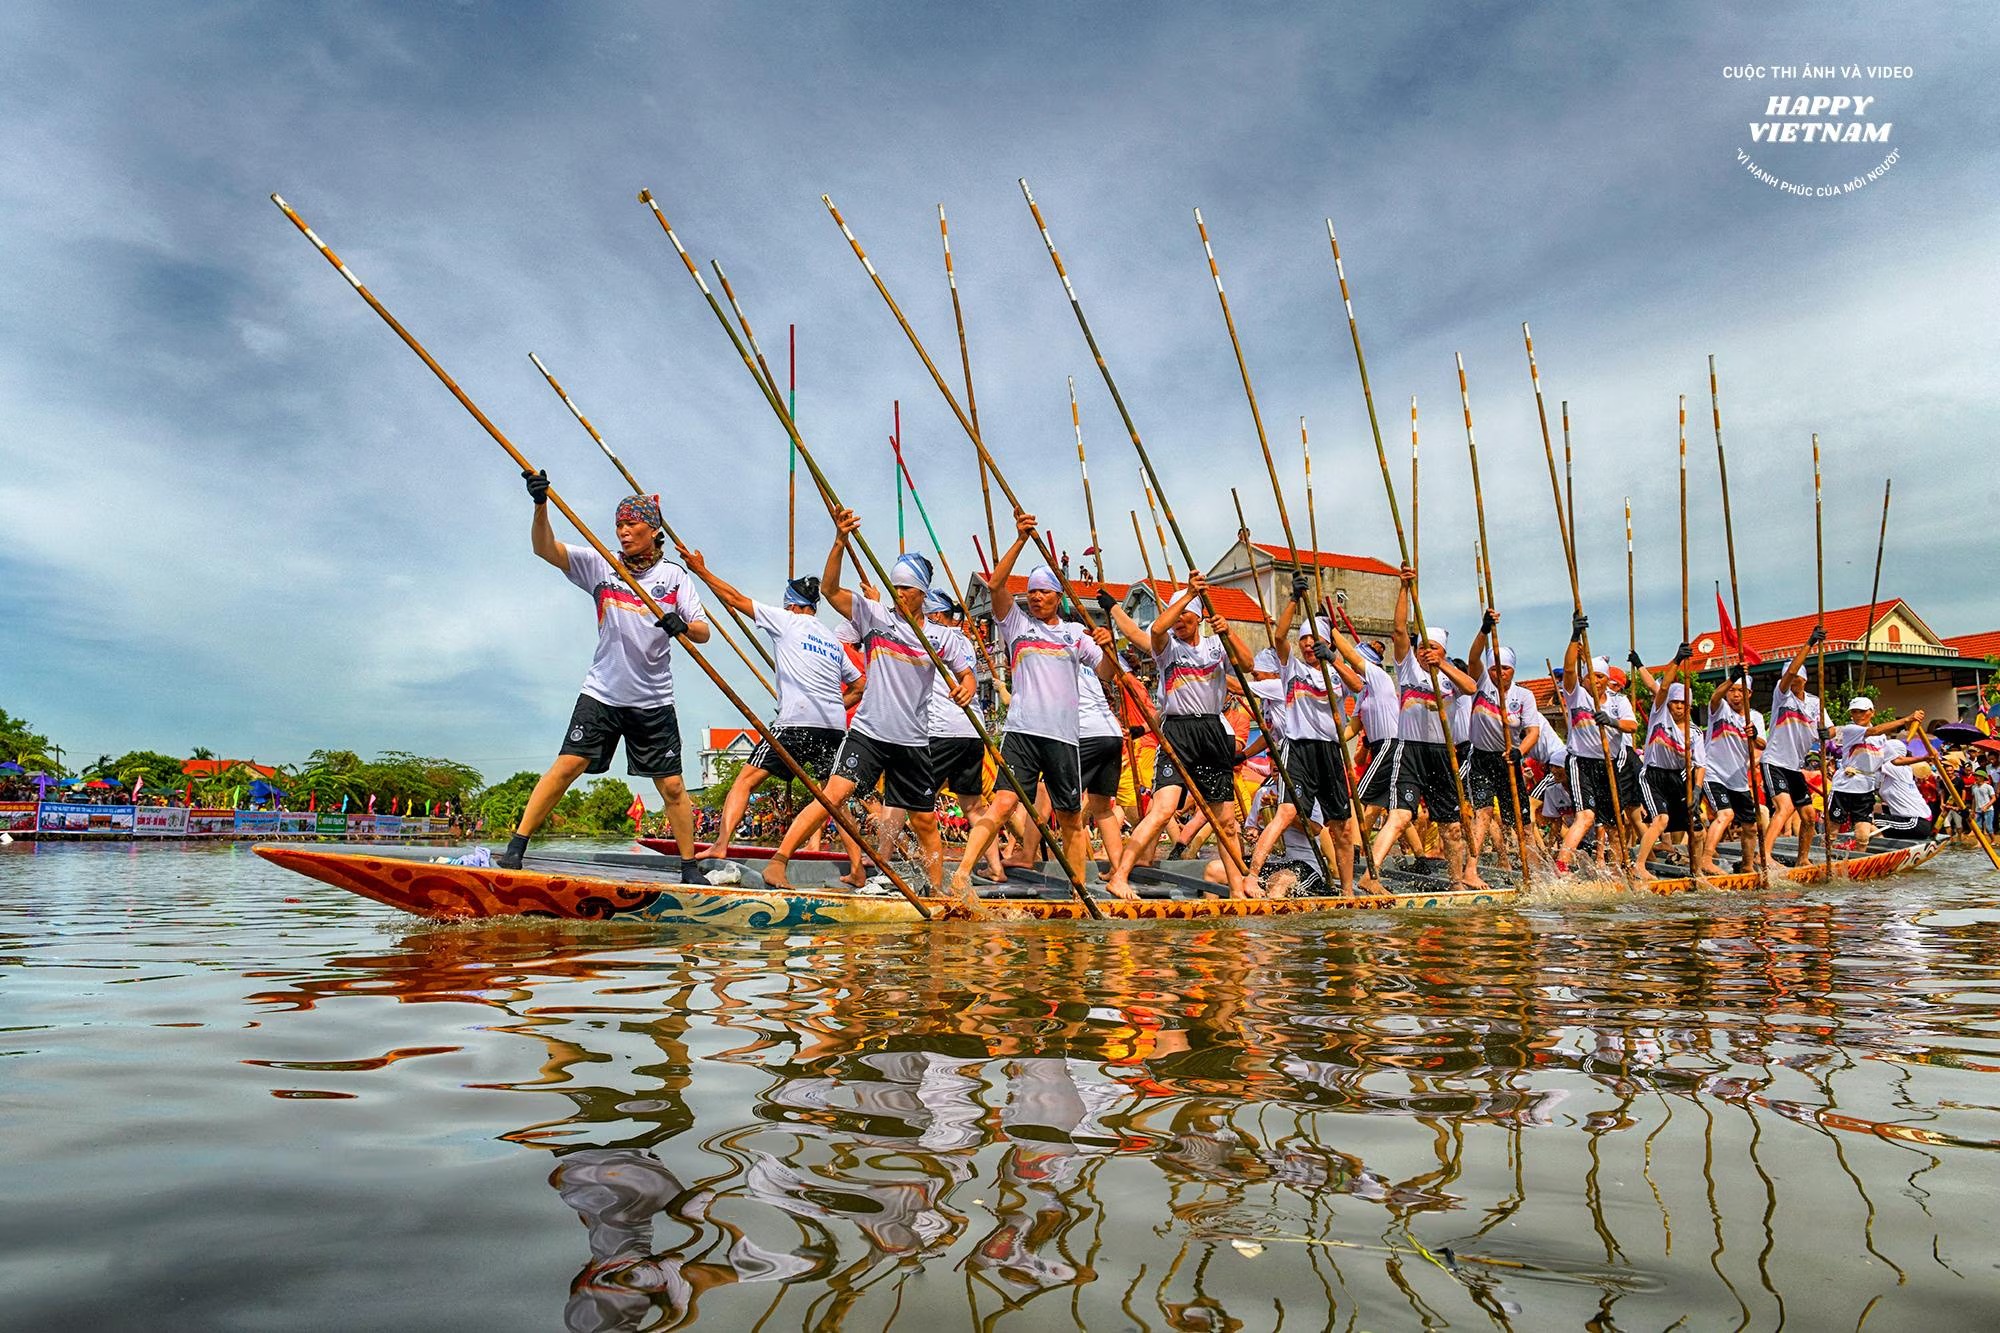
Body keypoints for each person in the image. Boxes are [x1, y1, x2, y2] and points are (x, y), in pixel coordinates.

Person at [499, 478, 710, 875]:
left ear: (653, 531)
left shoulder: (675, 578)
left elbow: (703, 633)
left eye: (632, 526)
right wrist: (540, 504)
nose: (624, 532)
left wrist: (679, 623)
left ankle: (688, 866)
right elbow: (544, 549)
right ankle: (516, 848)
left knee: (673, 787)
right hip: (602, 693)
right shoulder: (602, 564)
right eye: (619, 526)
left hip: (652, 701)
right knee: (568, 765)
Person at [762, 508, 975, 892]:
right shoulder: (876, 616)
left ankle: (937, 890)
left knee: (925, 821)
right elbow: (830, 590)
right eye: (895, 588)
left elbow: (967, 675)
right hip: (870, 732)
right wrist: (840, 541)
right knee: (834, 794)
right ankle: (778, 862)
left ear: (922, 594)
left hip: (911, 740)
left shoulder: (940, 638)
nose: (898, 594)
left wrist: (967, 688)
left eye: (906, 589)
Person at [946, 512, 1118, 906]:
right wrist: (1021, 538)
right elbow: (994, 584)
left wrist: (1107, 644)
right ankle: (960, 877)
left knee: (1071, 818)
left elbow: (1108, 673)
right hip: (1022, 731)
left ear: (1059, 597)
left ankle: (1077, 892)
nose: (1037, 597)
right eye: (1033, 592)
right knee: (1004, 804)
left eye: (1045, 592)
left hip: (1063, 737)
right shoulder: (1015, 624)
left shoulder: (1075, 634)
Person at [673, 556, 864, 877]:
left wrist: (700, 570)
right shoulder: (832, 639)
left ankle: (720, 844)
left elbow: (733, 599)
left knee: (744, 782)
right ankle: (858, 867)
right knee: (836, 802)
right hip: (832, 728)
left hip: (795, 724)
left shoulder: (786, 619)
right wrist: (832, 703)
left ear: (792, 605)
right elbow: (860, 685)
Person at [1100, 573, 1255, 899]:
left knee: (1226, 821)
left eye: (1187, 615)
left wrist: (1229, 633)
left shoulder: (1216, 646)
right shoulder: (1166, 646)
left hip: (1212, 731)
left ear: (1199, 617)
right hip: (1178, 732)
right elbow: (1154, 629)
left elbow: (1248, 663)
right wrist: (1185, 597)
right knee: (1163, 810)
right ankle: (1120, 876)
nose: (1180, 621)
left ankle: (1239, 890)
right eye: (1176, 614)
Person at [1369, 566, 1484, 888]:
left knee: (1450, 825)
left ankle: (1457, 880)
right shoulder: (1408, 669)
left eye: (1431, 649)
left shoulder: (1449, 676)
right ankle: (1371, 875)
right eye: (1423, 649)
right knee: (1401, 815)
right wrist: (1405, 588)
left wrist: (1442, 664)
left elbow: (1472, 688)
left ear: (1444, 652)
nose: (1424, 653)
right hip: (1411, 750)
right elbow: (1399, 630)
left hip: (1442, 753)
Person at [924, 589, 1007, 885]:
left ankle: (890, 860)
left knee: (911, 796)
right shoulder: (964, 639)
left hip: (943, 729)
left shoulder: (933, 637)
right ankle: (996, 868)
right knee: (973, 806)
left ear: (934, 615)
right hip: (972, 731)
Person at [1556, 613, 1637, 875]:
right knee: (1587, 816)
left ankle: (1616, 870)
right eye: (1591, 677)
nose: (1596, 681)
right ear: (1585, 679)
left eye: (1601, 678)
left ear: (1605, 680)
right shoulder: (1575, 693)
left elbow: (1632, 726)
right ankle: (1562, 867)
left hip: (1609, 764)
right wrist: (1574, 635)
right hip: (1581, 762)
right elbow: (1569, 669)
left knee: (1614, 823)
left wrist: (1611, 722)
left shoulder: (1617, 701)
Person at [1464, 612, 1543, 868]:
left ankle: (1531, 868)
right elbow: (1473, 657)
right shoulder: (1481, 682)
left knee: (1521, 821)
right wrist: (1484, 629)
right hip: (1481, 759)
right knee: (1483, 813)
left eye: (1505, 668)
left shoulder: (1524, 696)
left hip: (1509, 760)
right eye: (1496, 668)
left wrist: (1521, 751)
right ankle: (1471, 870)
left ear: (1513, 670)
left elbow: (1533, 731)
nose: (1500, 673)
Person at [1629, 643, 1705, 877]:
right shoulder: (1659, 713)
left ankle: (1697, 871)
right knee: (1661, 820)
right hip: (1652, 774)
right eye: (1675, 702)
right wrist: (1677, 660)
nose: (1678, 706)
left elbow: (1699, 764)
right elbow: (1659, 688)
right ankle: (1639, 867)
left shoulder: (1695, 733)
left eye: (1683, 703)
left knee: (1698, 829)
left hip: (1676, 777)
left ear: (1689, 705)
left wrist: (1698, 789)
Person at [1759, 629, 1827, 868]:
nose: (1793, 680)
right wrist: (1809, 643)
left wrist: (1828, 733)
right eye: (1790, 677)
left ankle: (1803, 859)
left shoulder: (1816, 703)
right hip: (1775, 761)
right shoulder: (1782, 696)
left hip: (1794, 766)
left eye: (1798, 677)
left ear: (1805, 679)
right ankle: (1764, 856)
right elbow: (1789, 672)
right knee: (1785, 807)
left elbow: (1830, 730)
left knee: (1809, 816)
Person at [1827, 696, 1926, 852]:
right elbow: (1874, 730)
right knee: (1833, 829)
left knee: (1863, 835)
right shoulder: (1851, 729)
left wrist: (1925, 757)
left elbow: (1896, 760)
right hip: (1845, 786)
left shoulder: (1881, 739)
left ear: (1872, 712)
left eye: (1862, 711)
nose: (1858, 715)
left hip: (1866, 787)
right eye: (1854, 712)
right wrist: (1906, 719)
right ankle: (1825, 855)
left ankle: (1858, 860)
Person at [1699, 673, 1760, 877]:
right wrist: (1732, 677)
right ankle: (1706, 860)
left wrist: (1755, 736)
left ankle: (1748, 865)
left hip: (1739, 780)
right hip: (1714, 774)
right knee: (1726, 814)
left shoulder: (1755, 717)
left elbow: (1762, 746)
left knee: (1751, 826)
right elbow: (1715, 697)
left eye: (1740, 691)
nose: (1735, 695)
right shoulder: (1720, 709)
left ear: (1749, 694)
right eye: (1732, 690)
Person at [1873, 737, 1938, 841]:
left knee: (1867, 821)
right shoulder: (1894, 771)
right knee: (1868, 811)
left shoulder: (1897, 768)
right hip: (1909, 820)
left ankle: (1880, 846)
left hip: (1914, 822)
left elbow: (1871, 759)